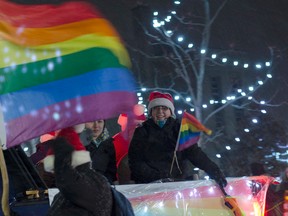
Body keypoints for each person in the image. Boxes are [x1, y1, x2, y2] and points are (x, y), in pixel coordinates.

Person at [128, 91, 227, 188]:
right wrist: (157, 176)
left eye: (164, 108)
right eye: (156, 108)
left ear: (170, 111)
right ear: (151, 112)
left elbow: (195, 154)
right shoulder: (142, 131)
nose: (160, 112)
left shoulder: (180, 129)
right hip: (149, 185)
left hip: (178, 183)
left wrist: (214, 171)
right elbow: (135, 161)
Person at [45, 125, 135, 216]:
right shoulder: (87, 184)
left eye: (55, 168)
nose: (54, 173)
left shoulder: (84, 185)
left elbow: (66, 179)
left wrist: (60, 149)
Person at [81, 120, 117, 184]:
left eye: (100, 121)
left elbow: (111, 172)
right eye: (91, 121)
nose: (96, 126)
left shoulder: (108, 143)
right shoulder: (76, 143)